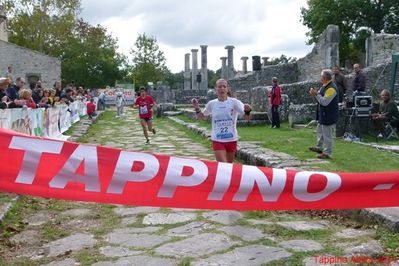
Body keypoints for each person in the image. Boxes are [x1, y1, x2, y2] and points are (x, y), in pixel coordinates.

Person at [191, 79, 252, 163]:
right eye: (219, 87)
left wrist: (248, 111)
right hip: (217, 139)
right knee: (223, 165)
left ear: (227, 89)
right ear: (216, 89)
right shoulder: (212, 104)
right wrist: (197, 108)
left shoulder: (234, 102)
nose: (222, 89)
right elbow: (202, 117)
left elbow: (247, 118)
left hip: (231, 139)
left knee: (229, 167)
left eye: (224, 86)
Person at [309, 69, 339, 159]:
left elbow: (325, 102)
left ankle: (327, 153)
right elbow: (320, 97)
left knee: (327, 135)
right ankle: (319, 147)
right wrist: (315, 94)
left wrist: (316, 94)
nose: (320, 77)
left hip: (329, 115)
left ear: (325, 77)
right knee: (320, 131)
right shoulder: (324, 86)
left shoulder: (331, 88)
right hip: (323, 114)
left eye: (321, 76)